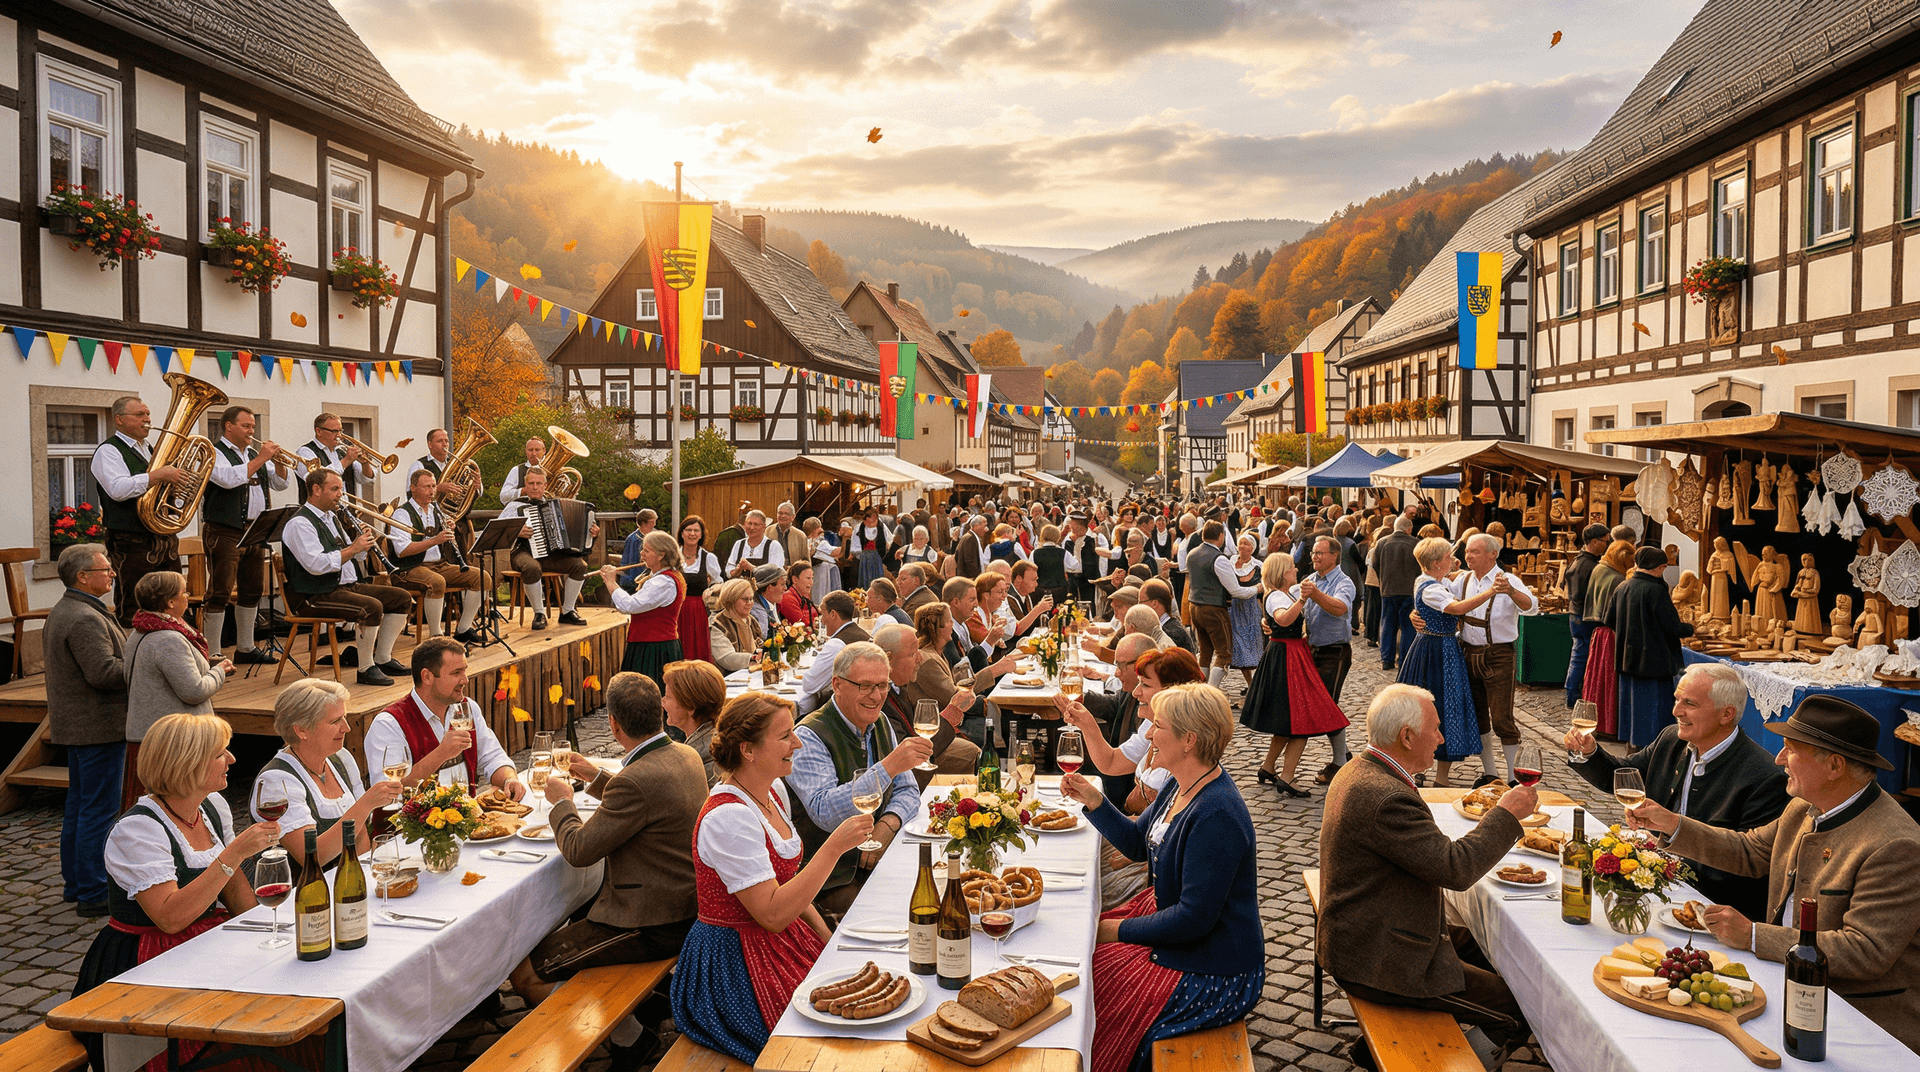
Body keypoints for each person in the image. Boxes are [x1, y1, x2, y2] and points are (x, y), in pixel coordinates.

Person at [1624, 696, 1920, 1052]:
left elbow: (1865, 950)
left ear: (1835, 766)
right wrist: (1672, 824)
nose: (1779, 759)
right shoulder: (1804, 806)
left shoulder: (1896, 845)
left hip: (1856, 1023)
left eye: (1791, 750)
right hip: (1782, 986)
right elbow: (1750, 851)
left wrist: (1753, 935)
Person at [1320, 685, 1535, 1066]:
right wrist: (1505, 815)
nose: (1441, 738)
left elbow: (1430, 855)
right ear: (1406, 736)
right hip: (1379, 957)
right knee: (1520, 1010)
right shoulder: (1386, 796)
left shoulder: (1363, 767)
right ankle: (1407, 1058)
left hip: (1373, 928)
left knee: (1493, 947)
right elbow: (1456, 868)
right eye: (1434, 729)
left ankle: (1380, 1050)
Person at [1060, 684, 1264, 1072]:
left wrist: (1118, 930)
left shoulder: (1216, 814)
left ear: (1189, 740)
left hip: (1216, 964)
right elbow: (1140, 844)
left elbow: (1194, 920)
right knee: (1079, 954)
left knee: (1101, 989)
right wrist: (1094, 800)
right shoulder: (1179, 783)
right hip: (1179, 930)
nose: (1149, 733)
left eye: (1159, 726)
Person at [514, 672, 707, 1066]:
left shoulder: (635, 781)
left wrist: (562, 802)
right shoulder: (684, 753)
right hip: (686, 905)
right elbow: (648, 796)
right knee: (572, 917)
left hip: (651, 922)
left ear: (613, 725)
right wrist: (596, 777)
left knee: (525, 973)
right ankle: (651, 1007)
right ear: (660, 715)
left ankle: (631, 1039)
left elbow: (579, 849)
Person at [670, 692, 874, 1062]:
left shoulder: (772, 791)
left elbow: (787, 888)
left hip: (781, 937)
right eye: (784, 736)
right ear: (748, 750)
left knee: (857, 1005)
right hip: (733, 960)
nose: (796, 743)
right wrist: (833, 848)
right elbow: (773, 914)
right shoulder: (728, 818)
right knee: (817, 1045)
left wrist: (827, 939)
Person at [72, 713, 282, 1071]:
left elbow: (237, 895)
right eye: (221, 753)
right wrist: (233, 854)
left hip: (203, 945)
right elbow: (170, 917)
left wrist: (272, 928)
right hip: (146, 959)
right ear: (187, 763)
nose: (232, 759)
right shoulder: (138, 830)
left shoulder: (211, 807)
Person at [1562, 663, 1788, 919]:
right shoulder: (1672, 739)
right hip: (1656, 888)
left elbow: (1745, 865)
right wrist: (1589, 752)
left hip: (1709, 910)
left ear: (1727, 714)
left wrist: (1671, 828)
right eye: (1677, 699)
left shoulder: (1765, 777)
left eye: (1689, 704)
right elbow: (1623, 776)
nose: (1676, 711)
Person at [787, 642, 933, 916]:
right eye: (865, 686)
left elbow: (908, 791)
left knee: (937, 889)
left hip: (877, 860)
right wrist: (888, 767)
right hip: (828, 879)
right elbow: (824, 812)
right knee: (897, 912)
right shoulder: (809, 735)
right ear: (837, 685)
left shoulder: (879, 722)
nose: (876, 696)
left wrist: (888, 825)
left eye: (883, 685)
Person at [45, 543, 131, 916]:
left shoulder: (71, 609)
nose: (112, 573)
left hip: (82, 726)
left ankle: (76, 884)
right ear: (83, 577)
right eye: (105, 569)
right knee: (98, 810)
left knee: (81, 808)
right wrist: (142, 664)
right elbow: (104, 673)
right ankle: (94, 891)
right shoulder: (83, 617)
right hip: (97, 727)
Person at [281, 469, 415, 686]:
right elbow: (316, 565)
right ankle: (365, 668)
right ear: (316, 490)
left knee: (401, 598)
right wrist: (353, 549)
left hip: (343, 586)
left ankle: (382, 658)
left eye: (341, 489)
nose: (340, 495)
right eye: (335, 489)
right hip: (314, 594)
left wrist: (361, 543)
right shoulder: (300, 524)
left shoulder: (331, 518)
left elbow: (354, 555)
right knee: (371, 607)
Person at [251, 679, 401, 867]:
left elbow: (361, 834)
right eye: (335, 721)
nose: (346, 728)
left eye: (344, 717)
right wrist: (365, 804)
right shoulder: (277, 781)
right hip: (305, 892)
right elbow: (312, 857)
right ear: (301, 730)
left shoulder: (342, 759)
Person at [364, 637, 527, 799]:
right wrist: (441, 753)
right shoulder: (388, 724)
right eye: (456, 673)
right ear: (427, 677)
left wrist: (509, 779)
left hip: (466, 820)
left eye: (464, 670)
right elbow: (388, 793)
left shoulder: (467, 708)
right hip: (406, 824)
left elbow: (492, 757)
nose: (465, 680)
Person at [1240, 554, 1348, 798]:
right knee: (1301, 721)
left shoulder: (1285, 592)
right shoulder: (1279, 596)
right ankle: (1287, 778)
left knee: (1288, 721)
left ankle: (1268, 768)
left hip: (1290, 653)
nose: (1296, 569)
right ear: (1282, 572)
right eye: (1291, 567)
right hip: (1287, 657)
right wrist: (1300, 601)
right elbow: (1282, 618)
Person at [124, 572, 230, 806]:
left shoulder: (140, 631)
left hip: (151, 736)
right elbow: (193, 691)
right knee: (173, 812)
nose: (188, 596)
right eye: (184, 592)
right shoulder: (168, 639)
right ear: (170, 602)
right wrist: (219, 671)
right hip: (172, 744)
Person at [1061, 647, 1204, 816]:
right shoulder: (1151, 723)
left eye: (1145, 684)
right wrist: (1086, 724)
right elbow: (1112, 762)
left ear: (1172, 691)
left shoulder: (1184, 743)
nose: (1135, 693)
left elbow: (1163, 828)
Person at [200, 405, 291, 662]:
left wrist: (279, 463)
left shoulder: (253, 453)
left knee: (252, 589)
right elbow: (228, 479)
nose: (252, 430)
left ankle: (245, 647)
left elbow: (280, 483)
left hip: (256, 529)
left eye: (253, 426)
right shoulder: (213, 453)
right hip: (225, 529)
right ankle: (213, 652)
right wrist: (262, 458)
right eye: (246, 426)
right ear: (229, 426)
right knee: (220, 590)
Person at [91, 394, 187, 627]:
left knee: (170, 599)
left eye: (147, 414)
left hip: (162, 536)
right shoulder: (109, 451)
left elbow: (156, 490)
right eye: (139, 415)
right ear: (119, 420)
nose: (147, 419)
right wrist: (159, 475)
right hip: (130, 538)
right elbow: (117, 489)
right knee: (133, 602)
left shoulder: (149, 449)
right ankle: (131, 658)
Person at [1397, 536, 1481, 788]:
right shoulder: (1432, 587)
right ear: (1435, 563)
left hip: (1432, 646)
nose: (1453, 560)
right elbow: (1456, 608)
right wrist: (1491, 591)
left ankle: (1422, 770)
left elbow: (1454, 577)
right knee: (1442, 708)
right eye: (1448, 557)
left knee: (1438, 708)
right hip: (1438, 650)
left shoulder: (1433, 580)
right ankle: (1431, 774)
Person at [1453, 533, 1535, 785]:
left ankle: (1512, 778)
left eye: (1474, 551)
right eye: (1467, 551)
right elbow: (1443, 602)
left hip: (1498, 655)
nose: (1468, 556)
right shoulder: (1463, 580)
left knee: (1502, 719)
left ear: (1492, 554)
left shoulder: (1509, 579)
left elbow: (1531, 607)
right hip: (1468, 653)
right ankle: (1491, 773)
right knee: (1478, 717)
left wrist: (1510, 591)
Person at [388, 468, 488, 642]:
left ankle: (463, 628)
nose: (432, 491)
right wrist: (435, 540)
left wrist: (449, 528)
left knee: (482, 577)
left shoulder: (435, 508)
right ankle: (436, 635)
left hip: (439, 565)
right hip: (409, 568)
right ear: (413, 488)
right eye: (426, 486)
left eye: (434, 486)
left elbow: (439, 538)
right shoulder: (402, 513)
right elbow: (402, 551)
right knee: (436, 582)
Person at [1610, 545, 1695, 748]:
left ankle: (1633, 747)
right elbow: (1672, 627)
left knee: (1633, 711)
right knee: (1653, 714)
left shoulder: (1623, 586)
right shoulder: (1655, 590)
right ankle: (1653, 754)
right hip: (1653, 663)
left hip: (1627, 660)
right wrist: (1691, 628)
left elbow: (1609, 619)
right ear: (1660, 567)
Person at [875, 622, 982, 778]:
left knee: (972, 750)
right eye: (912, 653)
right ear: (889, 659)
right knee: (971, 752)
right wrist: (951, 714)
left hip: (925, 748)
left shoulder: (900, 685)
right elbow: (906, 755)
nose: (920, 657)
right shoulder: (878, 698)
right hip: (904, 772)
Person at [500, 467, 596, 630]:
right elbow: (499, 531)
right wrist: (516, 531)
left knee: (580, 566)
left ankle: (567, 611)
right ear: (525, 485)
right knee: (531, 568)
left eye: (539, 483)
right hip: (523, 552)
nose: (535, 487)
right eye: (531, 483)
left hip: (551, 555)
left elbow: (582, 529)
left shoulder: (555, 505)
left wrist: (592, 532)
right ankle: (539, 613)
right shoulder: (515, 505)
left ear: (545, 485)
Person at [1299, 535, 1359, 784]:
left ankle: (1339, 763)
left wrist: (1315, 595)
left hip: (1336, 651)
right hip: (1313, 650)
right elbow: (1298, 607)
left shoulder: (1343, 582)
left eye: (1320, 553)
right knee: (1322, 706)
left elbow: (1340, 608)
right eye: (1314, 552)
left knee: (1327, 707)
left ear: (1334, 555)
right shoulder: (1311, 580)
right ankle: (1343, 755)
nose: (1315, 556)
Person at [601, 530, 687, 687]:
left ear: (661, 555)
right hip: (651, 645)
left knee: (645, 697)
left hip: (653, 649)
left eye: (647, 550)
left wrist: (611, 583)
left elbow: (629, 605)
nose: (642, 553)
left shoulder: (663, 582)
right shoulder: (663, 577)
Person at [1186, 520, 1260, 690]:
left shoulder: (1192, 554)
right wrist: (1257, 588)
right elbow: (1236, 591)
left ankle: (1200, 688)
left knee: (1205, 653)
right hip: (1214, 609)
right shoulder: (1219, 558)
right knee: (1224, 654)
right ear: (1221, 536)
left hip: (1194, 607)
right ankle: (1211, 691)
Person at [1581, 540, 1636, 738]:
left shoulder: (1600, 568)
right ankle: (1609, 725)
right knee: (1607, 680)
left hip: (1599, 632)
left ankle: (1598, 722)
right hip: (1611, 634)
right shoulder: (1617, 578)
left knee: (1598, 679)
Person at [1562, 525, 1611, 709]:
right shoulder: (1590, 566)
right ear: (1594, 542)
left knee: (1579, 653)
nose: (1607, 545)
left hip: (1576, 613)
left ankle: (1572, 693)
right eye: (1605, 541)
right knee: (1582, 655)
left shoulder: (1577, 560)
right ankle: (1573, 695)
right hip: (1584, 616)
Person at [663, 660, 726, 785]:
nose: (662, 702)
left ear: (690, 706)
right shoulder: (716, 735)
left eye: (668, 697)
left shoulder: (697, 757)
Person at [798, 592, 871, 699]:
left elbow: (809, 684)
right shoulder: (864, 634)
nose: (822, 620)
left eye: (823, 614)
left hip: (848, 706)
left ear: (833, 614)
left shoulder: (837, 644)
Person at [294, 411, 376, 504]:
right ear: (319, 431)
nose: (339, 435)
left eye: (340, 431)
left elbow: (366, 479)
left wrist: (365, 463)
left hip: (346, 512)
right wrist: (347, 460)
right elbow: (317, 479)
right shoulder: (305, 452)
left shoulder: (341, 451)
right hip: (319, 513)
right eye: (334, 431)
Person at [673, 515, 723, 664]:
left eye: (696, 530)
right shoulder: (673, 557)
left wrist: (712, 589)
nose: (692, 534)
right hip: (675, 610)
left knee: (697, 651)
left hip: (697, 611)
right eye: (688, 530)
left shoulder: (708, 558)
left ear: (701, 534)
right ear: (682, 533)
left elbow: (719, 581)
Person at [1221, 536, 1262, 687]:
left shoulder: (1258, 566)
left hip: (1251, 611)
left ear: (1252, 548)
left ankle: (1256, 683)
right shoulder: (1228, 563)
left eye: (1246, 544)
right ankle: (1251, 683)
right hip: (1232, 610)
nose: (1243, 546)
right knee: (1238, 645)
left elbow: (1265, 588)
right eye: (1241, 543)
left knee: (1254, 647)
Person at [708, 578, 763, 673]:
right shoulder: (718, 624)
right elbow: (726, 658)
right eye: (745, 599)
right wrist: (752, 658)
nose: (750, 603)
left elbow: (761, 646)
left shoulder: (752, 621)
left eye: (751, 599)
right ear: (731, 600)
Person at [726, 509, 787, 577]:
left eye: (756, 524)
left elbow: (776, 573)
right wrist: (735, 571)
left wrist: (752, 568)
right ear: (745, 524)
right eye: (749, 523)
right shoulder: (739, 544)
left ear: (764, 527)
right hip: (742, 586)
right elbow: (729, 568)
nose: (752, 528)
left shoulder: (773, 546)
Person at [497, 436, 546, 504]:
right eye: (530, 450)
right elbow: (503, 497)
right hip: (524, 511)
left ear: (544, 451)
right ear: (525, 451)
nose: (534, 454)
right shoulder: (517, 470)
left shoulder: (555, 470)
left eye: (537, 450)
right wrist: (523, 491)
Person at [806, 518, 842, 602]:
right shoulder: (819, 542)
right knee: (825, 597)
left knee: (816, 596)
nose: (822, 534)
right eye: (820, 532)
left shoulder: (806, 543)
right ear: (814, 532)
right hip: (823, 573)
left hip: (815, 573)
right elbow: (837, 553)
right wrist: (846, 538)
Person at [771, 501, 810, 573]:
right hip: (772, 575)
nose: (783, 516)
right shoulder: (767, 531)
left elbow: (806, 561)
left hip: (793, 575)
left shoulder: (800, 536)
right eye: (780, 513)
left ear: (793, 517)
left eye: (787, 514)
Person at [751, 564, 788, 635]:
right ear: (769, 588)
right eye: (782, 584)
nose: (785, 588)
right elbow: (763, 638)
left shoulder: (772, 604)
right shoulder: (758, 611)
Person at [779, 561, 818, 626]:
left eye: (812, 578)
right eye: (808, 578)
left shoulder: (804, 596)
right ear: (795, 579)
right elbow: (803, 625)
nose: (811, 583)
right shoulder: (788, 598)